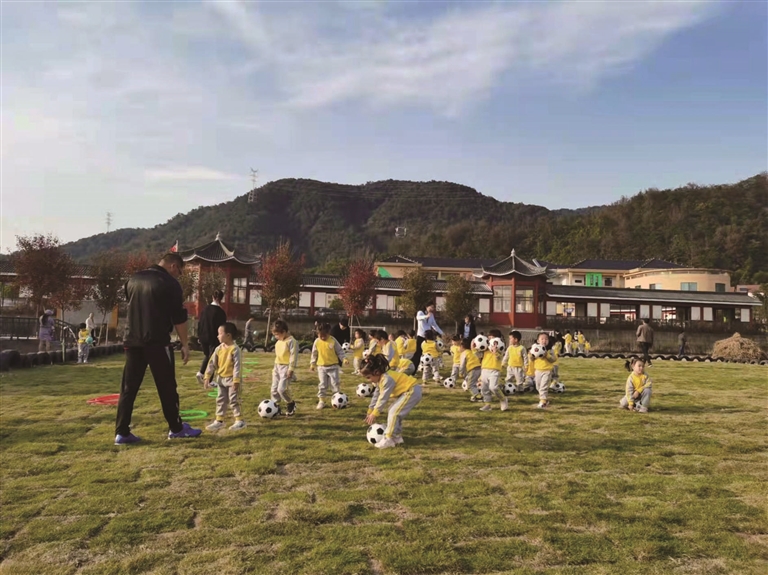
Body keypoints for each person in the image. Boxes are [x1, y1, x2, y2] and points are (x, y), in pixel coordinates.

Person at [115, 252, 202, 445]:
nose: (179, 275)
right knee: (167, 387)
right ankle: (176, 429)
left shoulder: (133, 279)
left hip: (132, 340)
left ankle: (121, 432)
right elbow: (179, 317)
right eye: (179, 271)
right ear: (173, 266)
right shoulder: (170, 283)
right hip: (157, 342)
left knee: (128, 388)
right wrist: (185, 344)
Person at [363, 354, 423, 449]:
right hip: (409, 392)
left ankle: (388, 438)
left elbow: (383, 398)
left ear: (376, 372)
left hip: (412, 391)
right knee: (392, 410)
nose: (369, 380)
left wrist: (375, 413)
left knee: (394, 413)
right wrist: (370, 410)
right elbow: (376, 395)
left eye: (368, 377)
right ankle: (396, 437)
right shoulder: (380, 380)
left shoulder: (387, 379)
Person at [203, 322, 245, 431]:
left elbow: (237, 366)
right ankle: (219, 421)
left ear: (228, 335)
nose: (217, 336)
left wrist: (236, 380)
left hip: (232, 380)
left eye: (220, 333)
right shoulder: (218, 349)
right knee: (220, 400)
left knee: (234, 400)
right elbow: (211, 363)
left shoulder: (235, 349)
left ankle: (240, 421)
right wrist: (207, 376)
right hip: (221, 379)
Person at [310, 323, 346, 410]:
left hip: (333, 367)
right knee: (322, 384)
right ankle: (321, 401)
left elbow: (340, 351)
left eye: (324, 336)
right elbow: (314, 353)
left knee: (335, 384)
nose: (322, 337)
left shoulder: (333, 340)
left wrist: (344, 359)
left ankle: (337, 400)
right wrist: (312, 363)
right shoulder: (317, 342)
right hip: (321, 367)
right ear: (317, 334)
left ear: (328, 333)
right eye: (320, 336)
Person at [196, 290, 227, 386]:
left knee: (208, 355)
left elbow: (200, 323)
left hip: (203, 336)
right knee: (213, 358)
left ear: (213, 297)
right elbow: (222, 327)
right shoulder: (220, 312)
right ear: (221, 298)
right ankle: (207, 378)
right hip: (214, 337)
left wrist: (199, 335)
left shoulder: (205, 309)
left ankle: (201, 373)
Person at [272, 320, 298, 416]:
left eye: (277, 334)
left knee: (282, 389)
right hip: (277, 366)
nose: (276, 337)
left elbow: (293, 356)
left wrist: (291, 369)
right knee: (274, 389)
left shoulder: (292, 341)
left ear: (283, 332)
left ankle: (290, 403)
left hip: (286, 368)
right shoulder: (279, 342)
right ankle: (276, 407)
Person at [478, 329, 508, 412]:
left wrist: (495, 352)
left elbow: (499, 357)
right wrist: (473, 347)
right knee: (484, 388)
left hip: (494, 370)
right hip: (484, 369)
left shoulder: (500, 348)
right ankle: (487, 405)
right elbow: (478, 355)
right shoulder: (485, 348)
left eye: (491, 337)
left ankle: (503, 399)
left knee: (493, 387)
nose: (489, 339)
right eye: (489, 337)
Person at [411, 303, 443, 368]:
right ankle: (413, 366)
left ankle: (428, 368)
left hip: (428, 337)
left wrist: (441, 333)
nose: (432, 309)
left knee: (429, 352)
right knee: (418, 352)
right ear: (426, 307)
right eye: (431, 307)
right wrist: (426, 316)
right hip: (421, 336)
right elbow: (418, 318)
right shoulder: (420, 312)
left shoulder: (431, 315)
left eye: (433, 307)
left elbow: (434, 325)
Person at [531, 332, 557, 409]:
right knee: (538, 387)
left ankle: (543, 402)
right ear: (538, 341)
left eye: (546, 339)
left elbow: (553, 359)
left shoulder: (550, 350)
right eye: (542, 339)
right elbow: (531, 359)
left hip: (547, 371)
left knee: (543, 387)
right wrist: (532, 355)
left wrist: (546, 355)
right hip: (538, 370)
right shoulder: (535, 349)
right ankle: (545, 400)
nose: (544, 341)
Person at [458, 337, 482, 402]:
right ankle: (475, 395)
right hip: (480, 368)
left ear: (462, 346)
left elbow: (462, 364)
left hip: (473, 369)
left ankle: (478, 396)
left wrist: (461, 373)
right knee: (473, 382)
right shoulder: (472, 352)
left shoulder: (464, 353)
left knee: (470, 385)